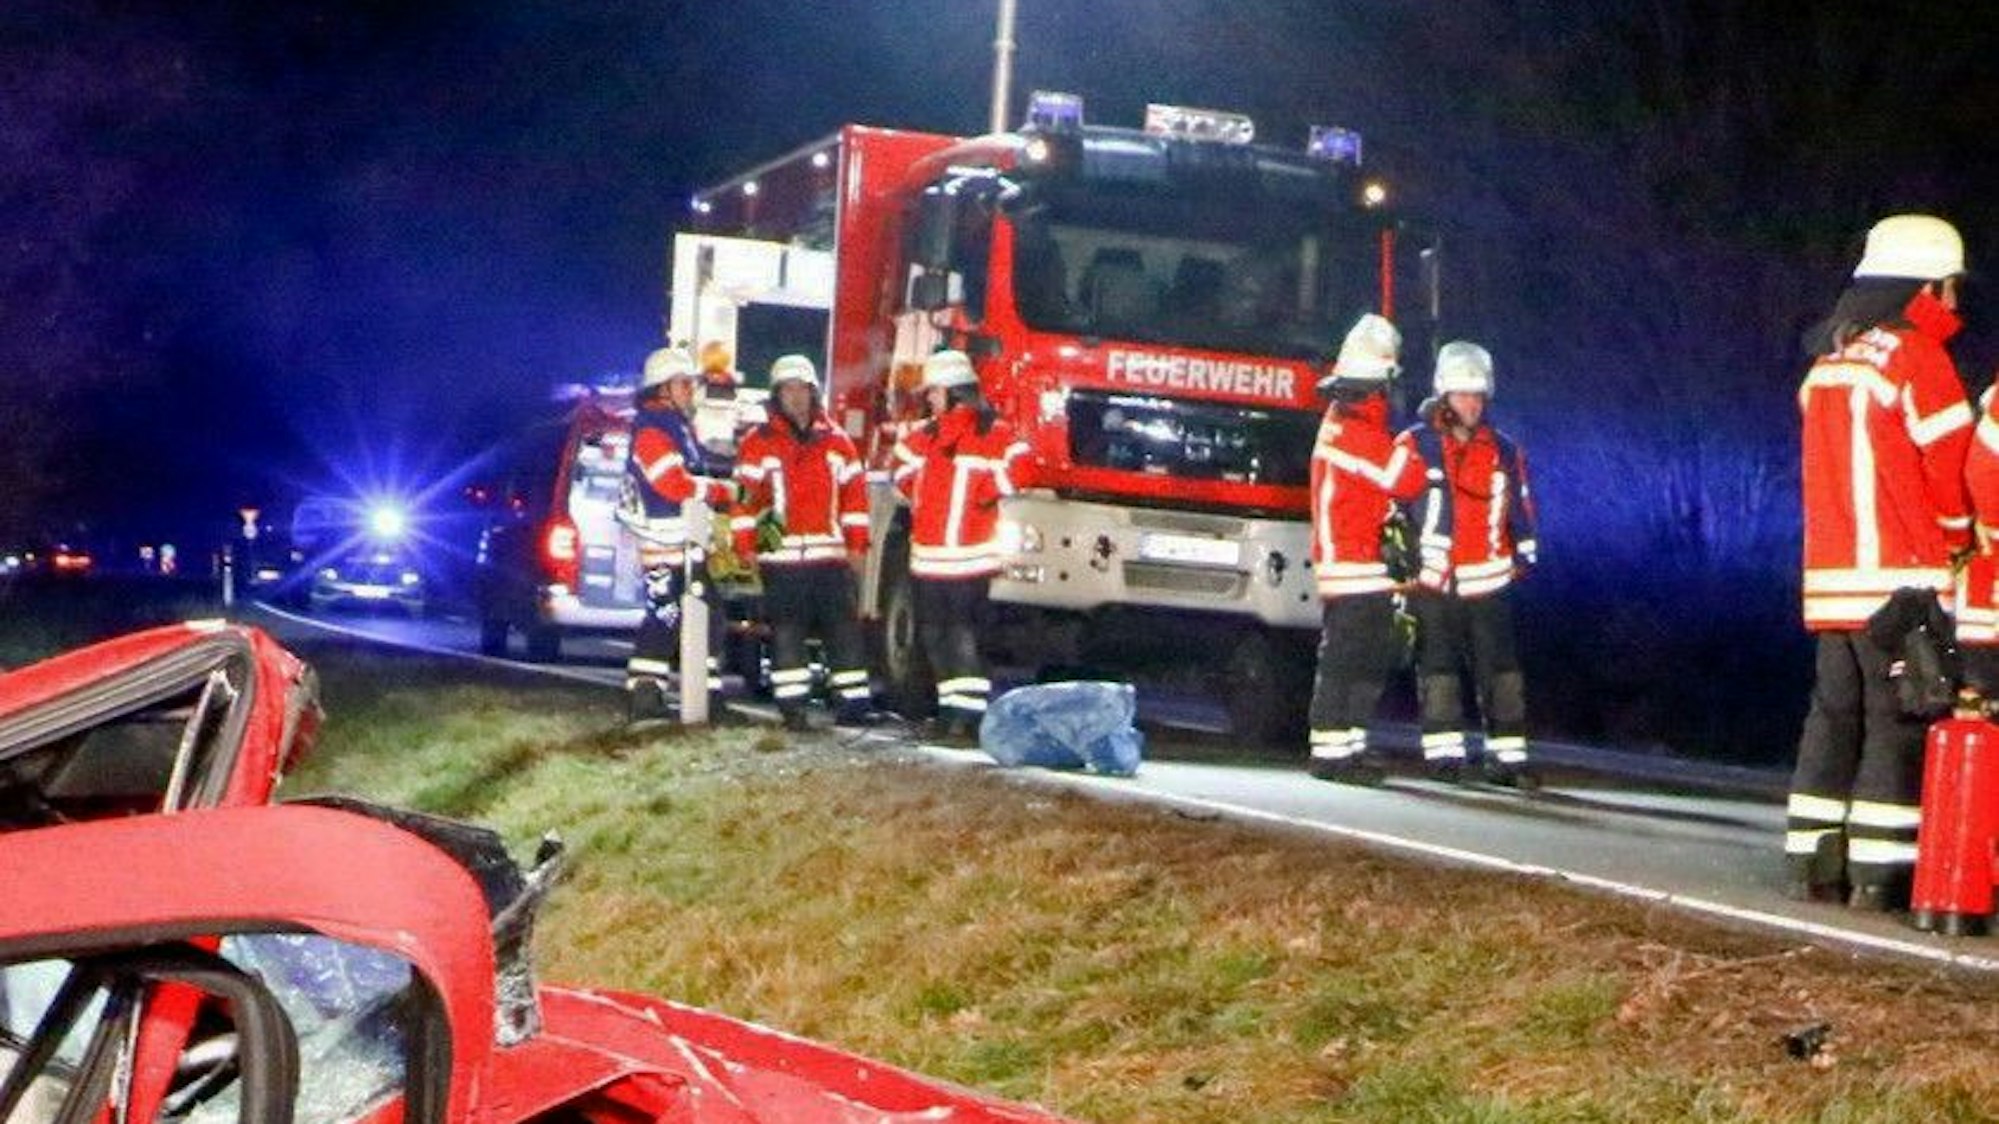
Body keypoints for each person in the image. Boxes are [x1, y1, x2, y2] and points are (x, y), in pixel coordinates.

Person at [1789, 213, 1972, 911]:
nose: (1953, 306)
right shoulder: (1917, 360)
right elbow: (1949, 475)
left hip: (1830, 581)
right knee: (1895, 722)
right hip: (1900, 579)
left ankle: (1812, 863)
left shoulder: (1827, 365)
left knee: (1832, 716)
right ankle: (1881, 873)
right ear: (1919, 288)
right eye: (1947, 290)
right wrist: (1961, 544)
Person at [1397, 341, 1541, 788]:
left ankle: (1508, 759)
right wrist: (1399, 563)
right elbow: (1392, 505)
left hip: (1489, 580)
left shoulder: (1502, 449)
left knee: (1502, 673)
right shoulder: (1415, 444)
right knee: (1438, 668)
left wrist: (1523, 555)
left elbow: (1521, 509)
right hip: (1433, 581)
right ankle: (1445, 757)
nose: (1472, 405)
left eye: (1478, 397)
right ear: (1444, 396)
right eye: (1463, 396)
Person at [1305, 313, 1425, 784]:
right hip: (1352, 564)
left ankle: (1349, 745)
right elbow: (1406, 478)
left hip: (1363, 564)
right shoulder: (1354, 433)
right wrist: (1412, 442)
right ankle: (1331, 752)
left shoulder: (1348, 424)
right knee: (1346, 660)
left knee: (1367, 658)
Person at [731, 354, 876, 731]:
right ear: (776, 396)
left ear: (814, 393)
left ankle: (853, 705)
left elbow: (855, 502)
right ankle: (793, 708)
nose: (795, 397)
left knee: (843, 633)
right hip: (781, 560)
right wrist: (745, 545)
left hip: (829, 559)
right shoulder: (757, 444)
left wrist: (857, 547)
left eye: (802, 389)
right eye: (788, 390)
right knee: (787, 634)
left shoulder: (839, 443)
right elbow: (746, 500)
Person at [892, 349, 1029, 744]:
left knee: (963, 634)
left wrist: (985, 491)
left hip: (971, 558)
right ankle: (951, 710)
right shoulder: (925, 436)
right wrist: (919, 492)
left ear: (953, 391)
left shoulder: (993, 433)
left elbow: (1022, 465)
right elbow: (898, 468)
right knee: (934, 635)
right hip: (929, 558)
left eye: (933, 392)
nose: (929, 399)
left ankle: (967, 718)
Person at [620, 346, 738, 723]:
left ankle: (705, 698)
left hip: (686, 547)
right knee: (665, 617)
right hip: (664, 548)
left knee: (710, 617)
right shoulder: (653, 430)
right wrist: (719, 491)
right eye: (684, 384)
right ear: (662, 389)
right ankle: (645, 696)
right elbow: (672, 483)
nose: (691, 390)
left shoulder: (678, 428)